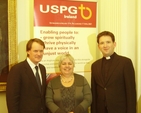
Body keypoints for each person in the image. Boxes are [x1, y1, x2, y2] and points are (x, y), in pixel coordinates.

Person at [91, 31, 136, 113]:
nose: (105, 46)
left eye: (108, 42)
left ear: (114, 44)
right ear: (98, 46)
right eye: (102, 43)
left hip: (120, 110)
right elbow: (94, 92)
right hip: (100, 110)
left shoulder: (125, 62)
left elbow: (131, 92)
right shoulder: (95, 65)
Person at [6, 38, 48, 113]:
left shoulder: (42, 69)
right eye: (35, 51)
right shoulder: (17, 69)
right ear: (28, 51)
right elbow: (12, 98)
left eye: (41, 51)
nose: (39, 54)